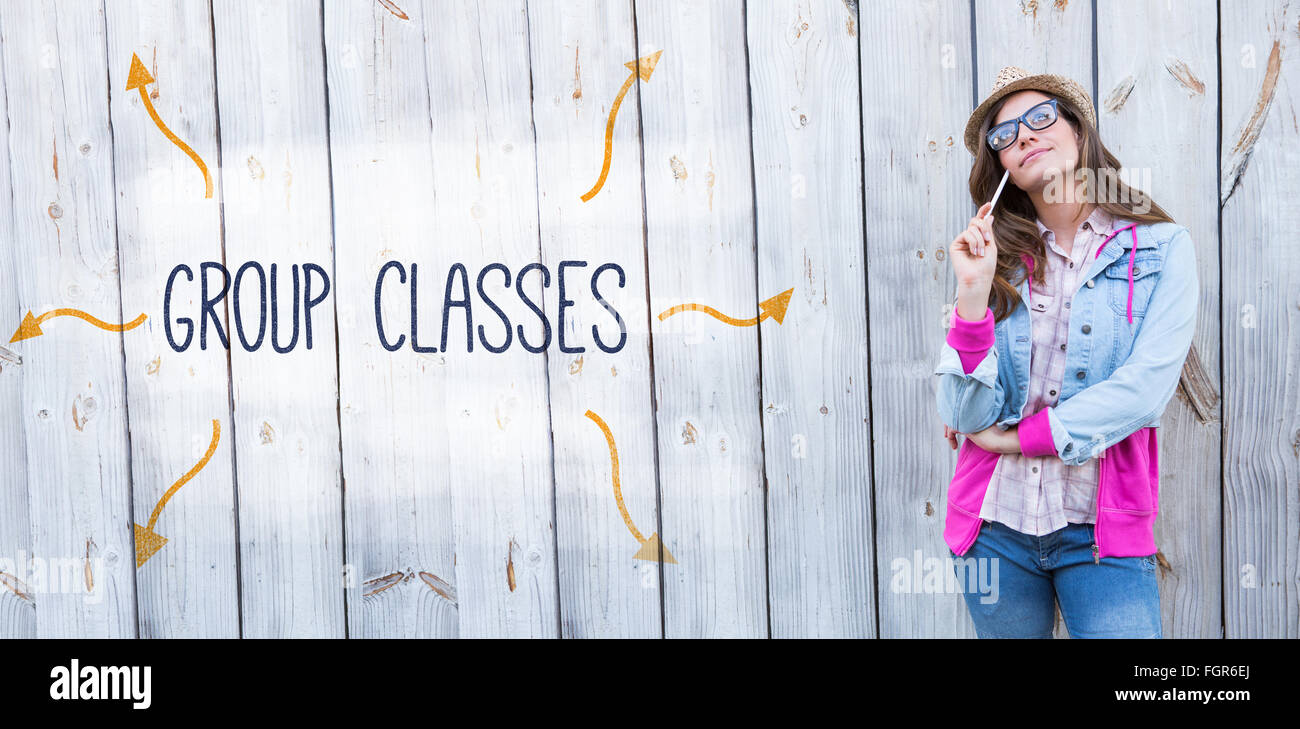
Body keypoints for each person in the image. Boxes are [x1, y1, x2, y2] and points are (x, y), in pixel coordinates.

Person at [934, 66, 1198, 638]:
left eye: (1040, 117)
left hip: (1101, 531)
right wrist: (972, 296)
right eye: (1003, 135)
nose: (1023, 135)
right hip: (992, 525)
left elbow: (1146, 392)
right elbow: (962, 416)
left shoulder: (1163, 249)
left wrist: (1020, 437)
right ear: (999, 164)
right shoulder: (990, 260)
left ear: (1078, 129)